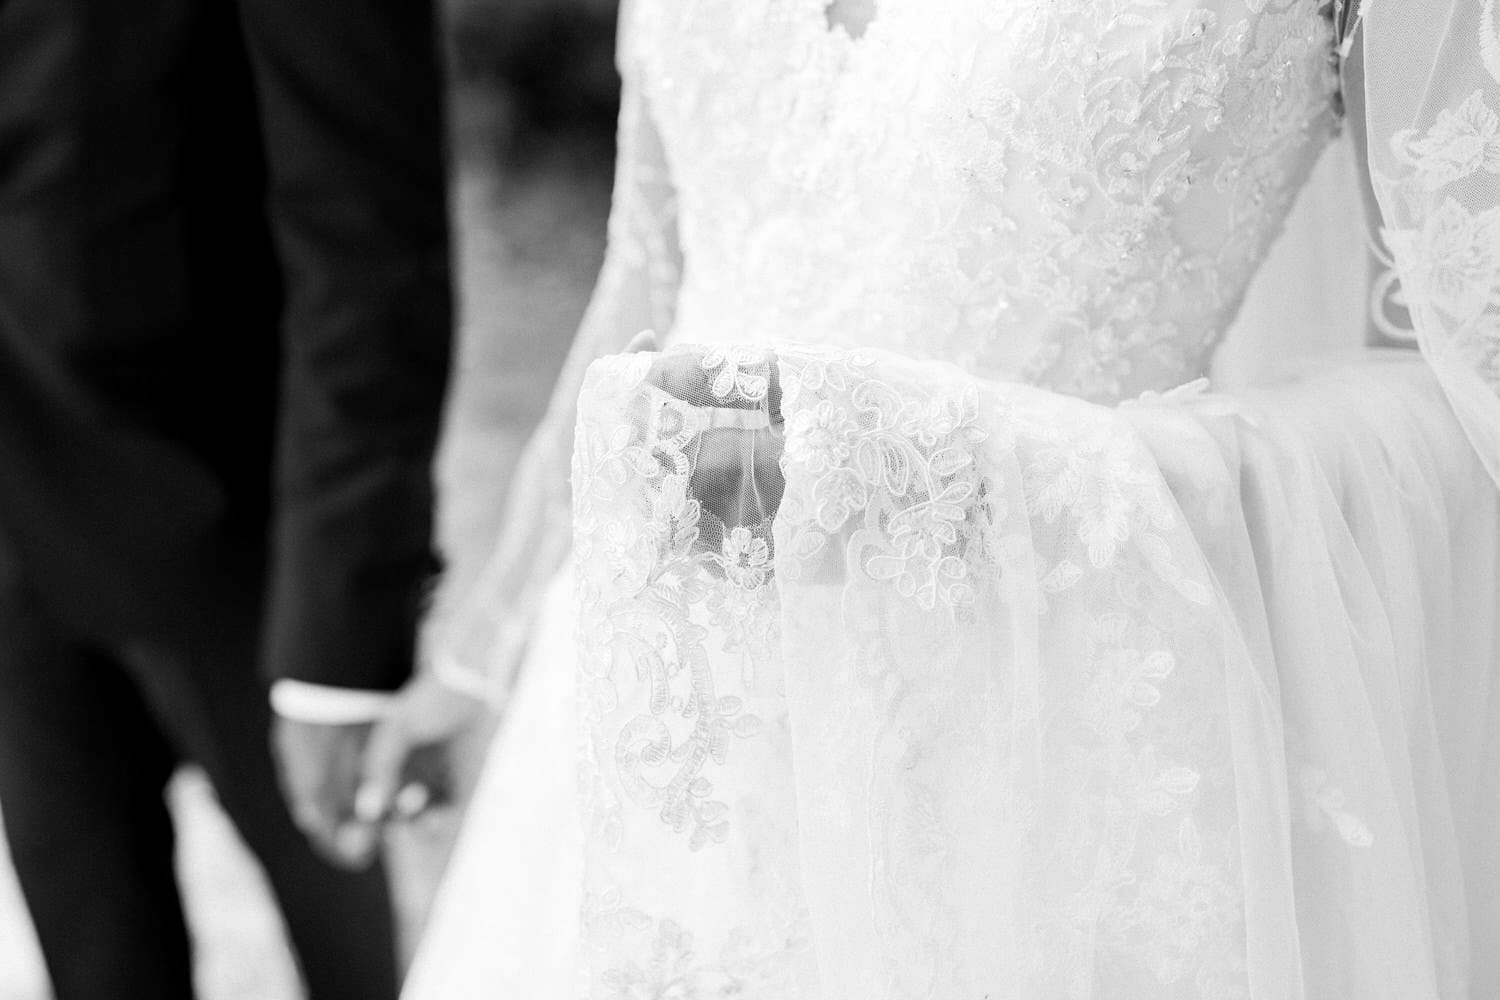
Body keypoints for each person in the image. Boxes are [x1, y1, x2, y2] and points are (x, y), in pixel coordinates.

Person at [384, 0, 1500, 995]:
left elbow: (1468, 384)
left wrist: (1008, 480)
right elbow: (646, 289)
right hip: (658, 724)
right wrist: (485, 647)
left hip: (1034, 756)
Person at [0, 0, 453, 997]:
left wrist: (338, 652)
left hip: (239, 537)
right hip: (18, 522)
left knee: (353, 968)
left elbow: (369, 242)